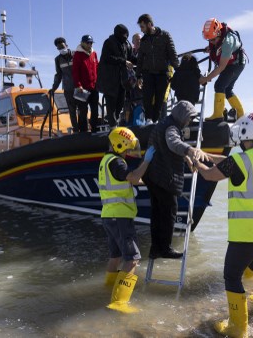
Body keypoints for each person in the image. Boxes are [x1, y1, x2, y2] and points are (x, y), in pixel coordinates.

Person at [193, 111, 253, 337]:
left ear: (246, 133)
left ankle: (237, 328)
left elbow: (211, 176)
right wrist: (207, 156)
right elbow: (231, 164)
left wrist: (196, 162)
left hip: (249, 232)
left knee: (231, 275)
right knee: (252, 258)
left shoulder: (239, 160)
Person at [99, 127, 155, 314]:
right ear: (119, 144)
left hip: (109, 215)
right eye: (127, 148)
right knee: (132, 259)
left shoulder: (106, 161)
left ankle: (108, 289)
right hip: (120, 216)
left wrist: (148, 180)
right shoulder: (117, 162)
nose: (129, 151)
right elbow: (132, 177)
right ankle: (119, 302)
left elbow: (127, 180)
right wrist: (146, 161)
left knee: (115, 257)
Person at [144, 100, 210, 259]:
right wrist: (190, 149)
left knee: (156, 213)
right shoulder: (172, 128)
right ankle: (165, 248)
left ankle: (155, 249)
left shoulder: (163, 123)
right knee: (169, 213)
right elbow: (173, 142)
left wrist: (186, 158)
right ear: (182, 116)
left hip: (152, 175)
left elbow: (167, 146)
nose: (189, 122)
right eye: (189, 118)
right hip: (164, 177)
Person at [199, 18, 247, 121]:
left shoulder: (228, 42)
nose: (211, 42)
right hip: (230, 64)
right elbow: (216, 47)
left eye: (213, 39)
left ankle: (218, 115)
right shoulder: (216, 38)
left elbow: (221, 67)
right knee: (227, 89)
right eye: (209, 40)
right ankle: (241, 115)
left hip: (236, 64)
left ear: (219, 33)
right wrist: (211, 48)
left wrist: (206, 78)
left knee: (219, 85)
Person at [136, 14, 179, 123]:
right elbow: (140, 58)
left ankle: (155, 122)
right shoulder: (144, 40)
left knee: (160, 100)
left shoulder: (165, 35)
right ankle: (149, 120)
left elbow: (172, 53)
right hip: (148, 73)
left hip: (162, 72)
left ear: (149, 24)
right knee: (147, 98)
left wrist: (178, 70)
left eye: (142, 27)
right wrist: (138, 75)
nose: (141, 30)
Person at [97, 24, 137, 128]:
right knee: (111, 104)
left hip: (122, 80)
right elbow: (107, 58)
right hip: (109, 80)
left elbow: (131, 57)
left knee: (120, 103)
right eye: (124, 35)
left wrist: (141, 61)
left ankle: (114, 120)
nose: (125, 38)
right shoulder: (109, 42)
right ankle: (112, 125)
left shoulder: (127, 44)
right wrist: (124, 62)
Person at [50, 37, 79, 132]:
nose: (61, 49)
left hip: (79, 87)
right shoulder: (57, 60)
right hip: (68, 89)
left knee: (83, 109)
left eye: (62, 47)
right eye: (59, 48)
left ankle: (84, 129)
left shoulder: (76, 55)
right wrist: (54, 88)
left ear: (66, 45)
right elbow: (58, 75)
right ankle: (76, 130)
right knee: (72, 111)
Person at [72, 35, 99, 132]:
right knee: (83, 111)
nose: (90, 44)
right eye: (88, 42)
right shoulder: (77, 55)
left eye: (91, 42)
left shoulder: (94, 53)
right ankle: (83, 131)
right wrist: (78, 84)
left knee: (95, 110)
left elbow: (97, 67)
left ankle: (94, 129)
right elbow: (75, 71)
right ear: (82, 43)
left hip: (94, 86)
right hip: (82, 88)